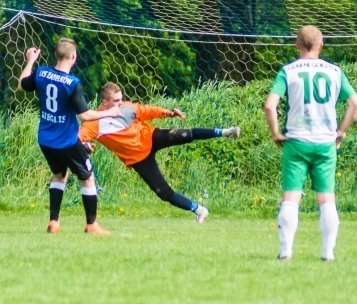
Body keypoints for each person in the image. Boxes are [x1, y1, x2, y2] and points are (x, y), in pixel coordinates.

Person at [264, 25, 357, 261]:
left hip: (296, 141)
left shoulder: (288, 71)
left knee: (291, 197)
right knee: (326, 198)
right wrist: (341, 131)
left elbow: (269, 105)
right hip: (325, 143)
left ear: (297, 45)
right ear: (321, 46)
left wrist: (276, 133)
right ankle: (328, 253)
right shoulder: (334, 71)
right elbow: (355, 104)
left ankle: (286, 251)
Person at [78, 82, 241, 223]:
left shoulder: (127, 107)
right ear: (104, 102)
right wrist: (85, 145)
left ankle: (226, 132)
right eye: (116, 101)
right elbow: (77, 138)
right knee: (164, 193)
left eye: (121, 99)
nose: (120, 103)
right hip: (139, 159)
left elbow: (148, 110)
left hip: (151, 137)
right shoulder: (94, 123)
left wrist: (168, 113)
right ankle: (200, 210)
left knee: (185, 135)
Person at [18, 38, 121, 235]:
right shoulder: (72, 83)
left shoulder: (41, 73)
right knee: (87, 177)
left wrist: (30, 60)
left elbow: (22, 85)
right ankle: (91, 225)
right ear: (74, 56)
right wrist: (110, 112)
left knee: (59, 175)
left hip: (46, 140)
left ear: (55, 55)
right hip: (66, 141)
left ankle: (53, 222)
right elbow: (84, 116)